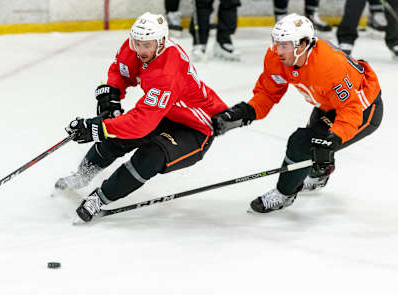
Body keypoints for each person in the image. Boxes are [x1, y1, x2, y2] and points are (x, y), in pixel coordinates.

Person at [55, 12, 228, 222]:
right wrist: (112, 95)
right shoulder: (134, 46)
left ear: (162, 42)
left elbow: (142, 123)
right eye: (137, 43)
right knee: (116, 134)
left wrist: (97, 128)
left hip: (196, 127)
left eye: (147, 45)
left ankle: (100, 198)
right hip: (167, 113)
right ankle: (82, 175)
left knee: (151, 155)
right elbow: (120, 71)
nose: (141, 49)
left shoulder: (168, 70)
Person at [212, 13, 383, 213]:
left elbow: (351, 109)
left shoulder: (330, 65)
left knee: (302, 143)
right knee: (314, 148)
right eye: (276, 43)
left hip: (364, 109)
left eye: (284, 45)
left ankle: (283, 194)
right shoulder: (277, 57)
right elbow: (267, 93)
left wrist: (335, 138)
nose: (278, 50)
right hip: (327, 105)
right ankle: (320, 173)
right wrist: (244, 112)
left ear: (302, 45)